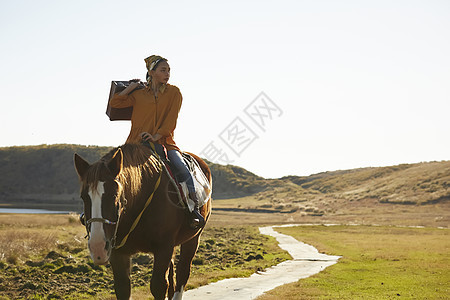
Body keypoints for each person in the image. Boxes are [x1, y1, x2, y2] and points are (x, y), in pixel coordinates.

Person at [109, 55, 204, 228]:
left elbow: (171, 121)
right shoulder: (138, 94)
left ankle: (194, 210)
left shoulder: (174, 93)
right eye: (163, 70)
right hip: (134, 144)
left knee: (180, 166)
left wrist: (156, 136)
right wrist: (129, 89)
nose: (167, 74)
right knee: (111, 168)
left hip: (165, 142)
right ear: (151, 72)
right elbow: (115, 103)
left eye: (168, 70)